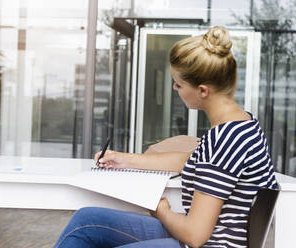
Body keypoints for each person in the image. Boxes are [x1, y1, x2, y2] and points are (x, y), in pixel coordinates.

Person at [53, 26, 278, 248]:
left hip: (205, 244)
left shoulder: (224, 139)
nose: (174, 88)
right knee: (85, 222)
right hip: (208, 240)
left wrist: (161, 210)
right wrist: (125, 159)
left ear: (203, 90)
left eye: (179, 84)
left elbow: (195, 235)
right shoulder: (242, 123)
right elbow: (194, 161)